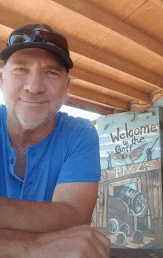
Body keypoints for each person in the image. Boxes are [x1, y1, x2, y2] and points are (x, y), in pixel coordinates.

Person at [0, 24, 111, 257]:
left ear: (67, 88)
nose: (34, 87)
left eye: (51, 73)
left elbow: (74, 215)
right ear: (1, 79)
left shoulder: (79, 132)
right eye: (21, 69)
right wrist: (33, 247)